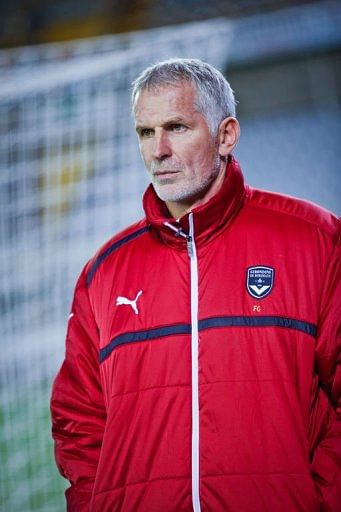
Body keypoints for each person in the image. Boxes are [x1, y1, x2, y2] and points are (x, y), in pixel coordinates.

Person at [51, 58, 340, 512]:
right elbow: (78, 422)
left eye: (177, 127)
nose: (157, 150)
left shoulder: (315, 241)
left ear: (226, 135)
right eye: (145, 132)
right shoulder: (103, 272)